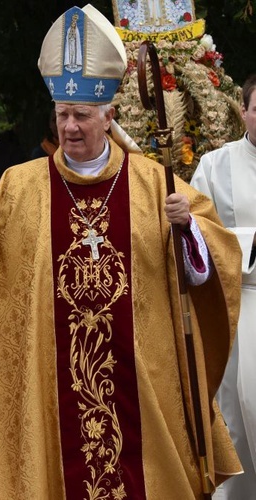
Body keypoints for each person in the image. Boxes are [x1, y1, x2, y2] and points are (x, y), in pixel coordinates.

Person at [0, 5, 242, 498]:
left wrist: (186, 227)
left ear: (109, 116)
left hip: (141, 383)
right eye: (63, 115)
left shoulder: (153, 183)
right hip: (53, 385)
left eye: (82, 115)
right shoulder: (22, 185)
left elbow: (211, 267)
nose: (70, 126)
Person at [190, 73, 256, 500]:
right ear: (244, 111)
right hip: (243, 298)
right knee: (240, 410)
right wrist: (250, 242)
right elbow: (197, 231)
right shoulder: (215, 164)